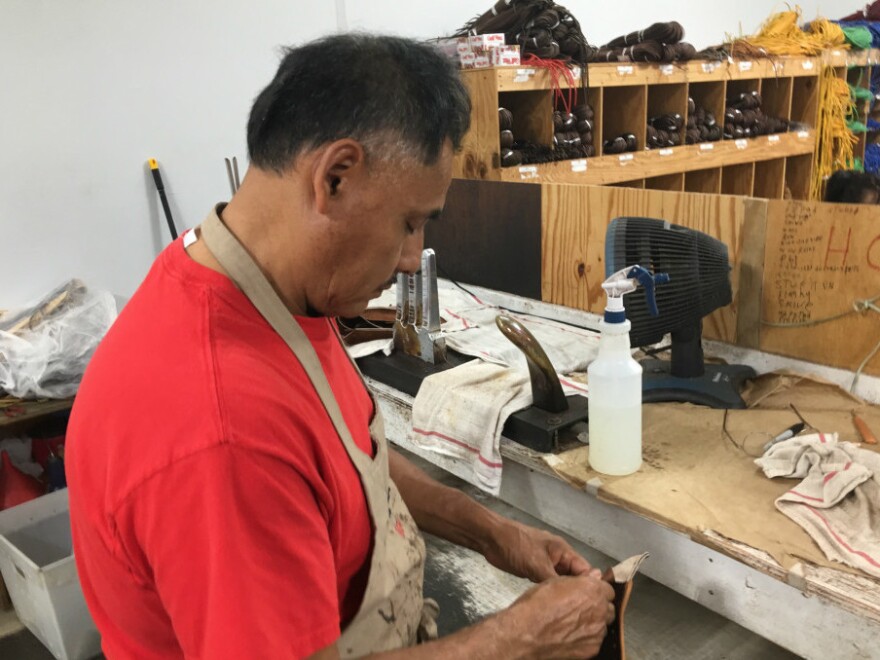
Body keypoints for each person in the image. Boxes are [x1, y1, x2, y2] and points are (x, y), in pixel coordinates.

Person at [66, 34, 615, 659]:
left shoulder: (269, 281)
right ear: (335, 176)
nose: (413, 258)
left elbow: (346, 459)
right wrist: (517, 639)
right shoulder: (224, 435)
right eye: (409, 222)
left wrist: (487, 530)